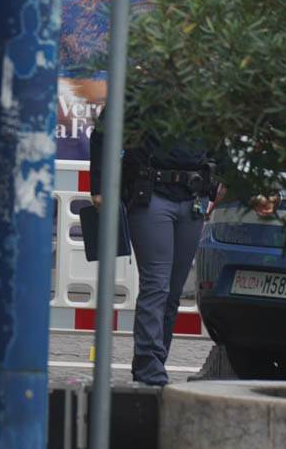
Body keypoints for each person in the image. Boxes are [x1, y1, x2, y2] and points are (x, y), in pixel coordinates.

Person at [89, 113, 219, 386]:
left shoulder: (203, 92)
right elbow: (102, 132)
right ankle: (151, 369)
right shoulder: (142, 87)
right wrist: (99, 187)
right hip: (152, 194)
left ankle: (153, 362)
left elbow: (220, 142)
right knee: (156, 286)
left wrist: (226, 179)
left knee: (172, 292)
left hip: (192, 198)